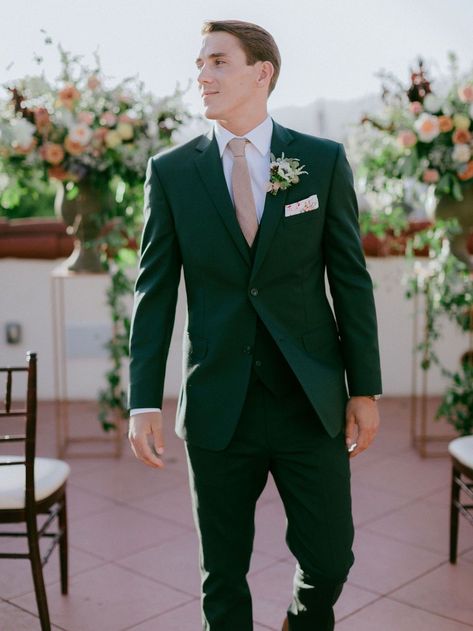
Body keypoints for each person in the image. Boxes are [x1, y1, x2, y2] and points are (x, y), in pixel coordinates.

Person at [127, 19, 382, 631]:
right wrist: (142, 402)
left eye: (218, 61)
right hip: (219, 401)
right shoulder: (172, 172)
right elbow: (154, 293)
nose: (203, 75)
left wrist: (364, 388)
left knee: (330, 557)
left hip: (308, 398)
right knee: (222, 571)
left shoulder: (319, 162)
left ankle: (303, 619)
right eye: (200, 64)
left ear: (260, 73)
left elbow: (349, 279)